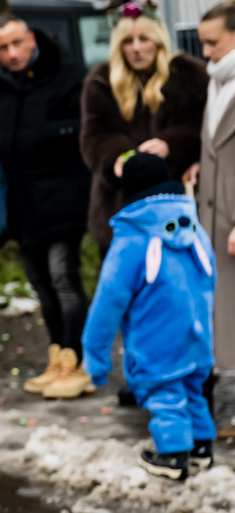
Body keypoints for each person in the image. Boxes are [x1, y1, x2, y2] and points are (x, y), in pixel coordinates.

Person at [80, 154, 216, 477]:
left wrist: (95, 357)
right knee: (192, 388)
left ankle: (172, 456)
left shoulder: (132, 237)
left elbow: (107, 303)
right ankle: (201, 449)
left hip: (157, 338)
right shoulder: (194, 226)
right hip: (198, 334)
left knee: (165, 392)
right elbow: (210, 277)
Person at [0, 13, 94, 397]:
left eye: (17, 43)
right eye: (2, 47)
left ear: (31, 39)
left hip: (63, 197)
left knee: (64, 277)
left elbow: (80, 130)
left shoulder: (67, 75)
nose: (12, 54)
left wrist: (40, 136)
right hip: (22, 202)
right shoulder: (0, 86)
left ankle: (76, 359)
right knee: (41, 284)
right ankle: (56, 354)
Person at [80, 3, 207, 253]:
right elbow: (95, 136)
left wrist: (170, 144)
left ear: (158, 41)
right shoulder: (101, 82)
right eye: (128, 40)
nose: (136, 47)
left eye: (144, 38)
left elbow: (199, 129)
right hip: (119, 205)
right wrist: (119, 158)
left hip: (176, 206)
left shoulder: (190, 76)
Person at [194, 0, 235, 433]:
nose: (205, 52)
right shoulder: (218, 81)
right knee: (222, 312)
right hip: (214, 217)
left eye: (213, 42)